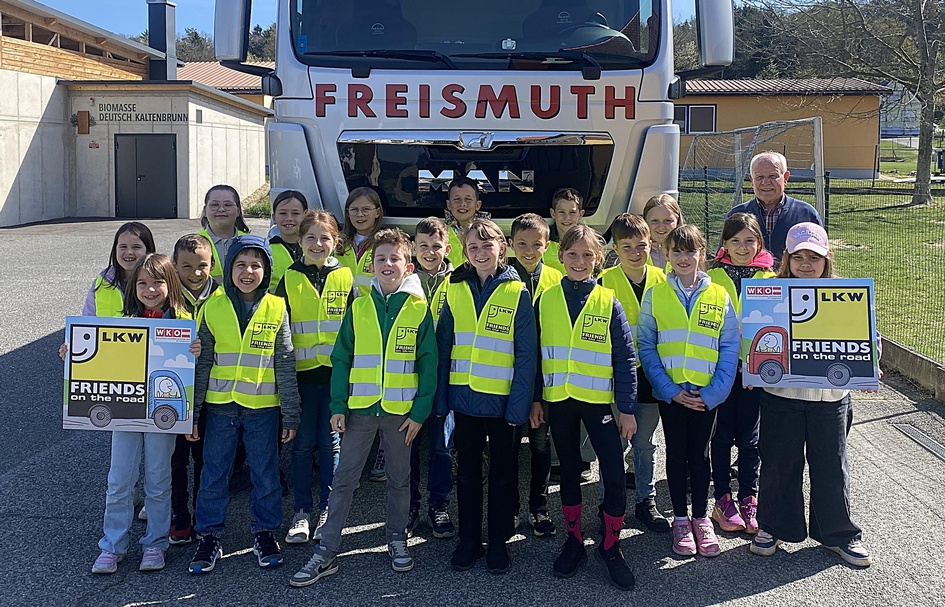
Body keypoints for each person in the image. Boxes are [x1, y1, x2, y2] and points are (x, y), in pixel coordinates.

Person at [289, 228, 437, 586]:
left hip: (401, 415)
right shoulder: (359, 306)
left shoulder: (419, 309)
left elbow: (429, 363)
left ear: (409, 265)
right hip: (358, 411)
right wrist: (337, 405)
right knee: (344, 481)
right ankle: (326, 551)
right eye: (380, 259)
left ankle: (397, 538)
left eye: (394, 258)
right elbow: (342, 359)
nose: (387, 264)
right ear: (371, 265)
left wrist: (419, 413)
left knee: (400, 481)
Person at [62, 253, 199, 574]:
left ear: (171, 284)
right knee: (119, 480)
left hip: (160, 414)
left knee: (158, 479)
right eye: (142, 283)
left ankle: (155, 543)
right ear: (133, 286)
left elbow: (196, 367)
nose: (150, 289)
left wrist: (196, 348)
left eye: (158, 282)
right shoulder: (122, 321)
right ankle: (112, 545)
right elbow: (94, 360)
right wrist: (72, 354)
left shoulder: (182, 324)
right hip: (123, 412)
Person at [750, 222, 874, 568]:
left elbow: (868, 338)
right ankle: (773, 526)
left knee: (831, 466)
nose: (806, 264)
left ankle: (838, 534)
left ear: (826, 259)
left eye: (814, 257)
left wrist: (870, 362)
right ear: (786, 258)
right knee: (778, 463)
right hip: (781, 396)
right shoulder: (771, 292)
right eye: (799, 257)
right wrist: (751, 367)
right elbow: (753, 339)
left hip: (830, 399)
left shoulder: (846, 295)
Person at [188, 235, 299, 574]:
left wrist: (291, 412)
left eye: (256, 264)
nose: (248, 271)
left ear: (266, 269)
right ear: (229, 268)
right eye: (240, 264)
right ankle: (208, 536)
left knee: (266, 474)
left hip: (263, 408)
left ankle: (265, 532)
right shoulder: (213, 306)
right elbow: (202, 362)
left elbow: (284, 361)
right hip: (220, 407)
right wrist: (192, 412)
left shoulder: (277, 307)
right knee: (214, 474)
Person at [535, 225, 638, 591]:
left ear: (599, 259)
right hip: (559, 401)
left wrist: (627, 409)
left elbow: (625, 358)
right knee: (567, 472)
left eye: (588, 255)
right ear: (560, 256)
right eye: (573, 254)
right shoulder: (545, 299)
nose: (580, 261)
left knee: (612, 471)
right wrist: (536, 399)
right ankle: (574, 539)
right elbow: (533, 354)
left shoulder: (608, 300)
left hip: (599, 404)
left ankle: (611, 544)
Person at [435, 218, 537, 574]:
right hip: (464, 401)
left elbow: (526, 355)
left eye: (487, 245)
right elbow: (445, 344)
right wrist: (441, 398)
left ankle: (497, 542)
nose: (480, 252)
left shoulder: (516, 291)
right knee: (466, 473)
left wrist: (520, 405)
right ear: (464, 253)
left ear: (501, 248)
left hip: (503, 402)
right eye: (473, 247)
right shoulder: (454, 287)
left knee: (504, 475)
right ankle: (469, 540)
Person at [637, 225, 739, 558]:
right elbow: (646, 346)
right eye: (677, 251)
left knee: (701, 456)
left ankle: (701, 518)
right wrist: (666, 389)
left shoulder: (719, 295)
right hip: (673, 394)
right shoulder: (656, 294)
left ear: (702, 255)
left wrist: (715, 393)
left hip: (706, 395)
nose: (684, 258)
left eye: (690, 251)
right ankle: (680, 519)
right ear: (666, 255)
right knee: (676, 454)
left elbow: (729, 346)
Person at [274, 210, 358, 544]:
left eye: (325, 238)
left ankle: (327, 510)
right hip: (301, 376)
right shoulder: (289, 278)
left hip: (336, 376)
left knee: (331, 443)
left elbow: (355, 329)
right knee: (301, 443)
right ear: (300, 240)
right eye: (311, 237)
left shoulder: (347, 277)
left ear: (336, 241)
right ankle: (301, 512)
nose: (318, 244)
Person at [599, 213, 671, 534]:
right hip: (617, 376)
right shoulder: (604, 281)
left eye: (641, 245)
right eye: (626, 246)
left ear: (650, 244)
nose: (635, 252)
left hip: (652, 374)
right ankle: (608, 505)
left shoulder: (663, 278)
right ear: (615, 247)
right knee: (614, 443)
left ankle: (646, 500)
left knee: (644, 441)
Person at [706, 213, 776, 535]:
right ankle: (722, 499)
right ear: (725, 244)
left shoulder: (771, 278)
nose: (743, 247)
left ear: (759, 242)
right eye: (735, 241)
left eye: (750, 240)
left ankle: (749, 496)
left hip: (754, 374)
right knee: (720, 437)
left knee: (751, 439)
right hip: (720, 372)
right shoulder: (711, 278)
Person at [508, 213, 561, 537]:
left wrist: (539, 394)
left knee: (541, 449)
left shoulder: (556, 279)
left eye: (536, 244)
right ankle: (511, 509)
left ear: (547, 245)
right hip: (510, 382)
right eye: (522, 244)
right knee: (510, 450)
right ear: (511, 245)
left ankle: (538, 508)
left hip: (546, 380)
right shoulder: (503, 278)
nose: (529, 250)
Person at [168, 234, 223, 545]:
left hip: (211, 390)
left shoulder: (224, 295)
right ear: (175, 265)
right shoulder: (166, 295)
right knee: (175, 460)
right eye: (186, 266)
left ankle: (203, 513)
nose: (195, 272)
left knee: (207, 458)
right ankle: (178, 515)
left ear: (212, 265)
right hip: (172, 392)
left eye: (202, 265)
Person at [407, 217, 456, 538]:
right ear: (413, 247)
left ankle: (438, 504)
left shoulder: (459, 280)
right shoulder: (402, 279)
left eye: (436, 246)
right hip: (408, 375)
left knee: (442, 447)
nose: (429, 251)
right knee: (407, 446)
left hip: (447, 376)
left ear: (448, 249)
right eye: (423, 246)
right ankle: (409, 505)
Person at [726, 151, 823, 264]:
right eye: (759, 177)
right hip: (748, 281)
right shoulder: (737, 215)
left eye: (773, 176)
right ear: (751, 180)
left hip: (792, 281)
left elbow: (820, 258)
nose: (766, 182)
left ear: (785, 177)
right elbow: (723, 257)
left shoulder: (806, 214)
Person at [82, 222, 156, 317]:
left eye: (136, 247)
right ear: (115, 249)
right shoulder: (103, 280)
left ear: (148, 250)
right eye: (123, 247)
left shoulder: (161, 281)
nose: (129, 252)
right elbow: (87, 318)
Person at [198, 185, 251, 283]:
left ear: (238, 211)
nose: (221, 209)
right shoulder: (191, 243)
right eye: (214, 205)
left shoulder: (251, 243)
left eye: (228, 205)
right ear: (205, 210)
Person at [337, 187, 384, 297]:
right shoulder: (337, 243)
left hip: (372, 309)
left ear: (377, 212)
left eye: (366, 209)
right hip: (343, 309)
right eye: (354, 210)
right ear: (348, 213)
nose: (360, 214)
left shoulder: (385, 243)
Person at [444, 176, 491, 270]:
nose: (462, 204)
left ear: (478, 205)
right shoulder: (441, 232)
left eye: (468, 199)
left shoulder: (489, 232)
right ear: (449, 204)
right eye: (457, 199)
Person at [269, 190, 308, 293]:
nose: (289, 218)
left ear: (305, 215)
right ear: (274, 217)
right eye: (282, 213)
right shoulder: (266, 250)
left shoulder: (317, 248)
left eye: (295, 213)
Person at [543, 188, 585, 273]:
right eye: (562, 212)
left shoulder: (588, 241)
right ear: (553, 213)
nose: (567, 217)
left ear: (580, 214)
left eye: (572, 212)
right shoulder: (543, 239)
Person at [642, 194, 684, 272]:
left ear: (677, 222)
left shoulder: (690, 252)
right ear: (645, 222)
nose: (661, 226)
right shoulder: (636, 252)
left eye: (667, 221)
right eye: (655, 221)